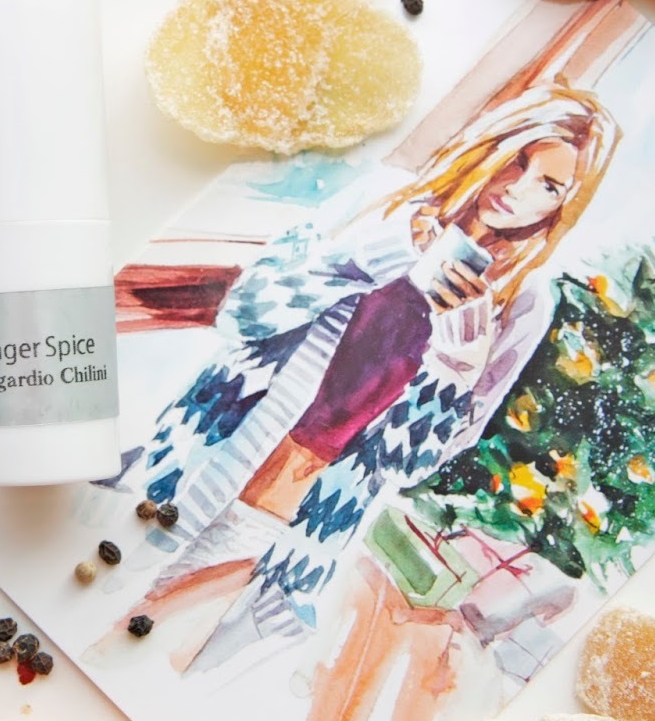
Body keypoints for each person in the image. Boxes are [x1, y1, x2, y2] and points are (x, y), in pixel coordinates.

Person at [113, 84, 621, 671]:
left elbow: (413, 465)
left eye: (550, 186)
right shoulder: (387, 203)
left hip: (291, 524)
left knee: (152, 662)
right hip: (195, 460)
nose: (517, 188)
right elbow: (245, 312)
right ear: (490, 146)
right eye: (517, 159)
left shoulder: (522, 302)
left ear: (563, 207)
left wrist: (457, 361)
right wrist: (374, 255)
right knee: (91, 611)